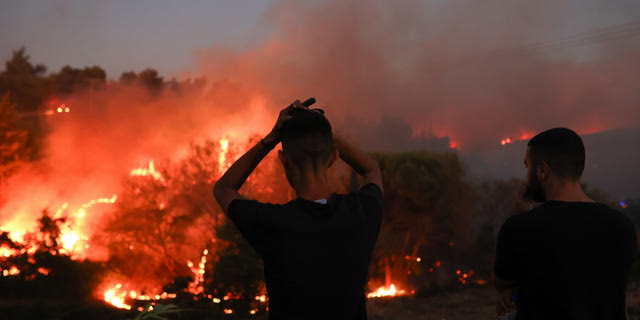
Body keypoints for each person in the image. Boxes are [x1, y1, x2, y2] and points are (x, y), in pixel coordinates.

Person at [213, 100, 383, 319]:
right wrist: (326, 134)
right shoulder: (362, 212)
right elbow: (371, 169)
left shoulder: (273, 223)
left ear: (284, 161)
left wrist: (271, 138)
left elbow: (224, 188)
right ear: (333, 157)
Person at [492, 127, 638, 319]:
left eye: (527, 166)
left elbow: (502, 281)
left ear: (542, 170)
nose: (527, 175)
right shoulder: (623, 227)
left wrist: (518, 215)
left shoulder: (520, 228)